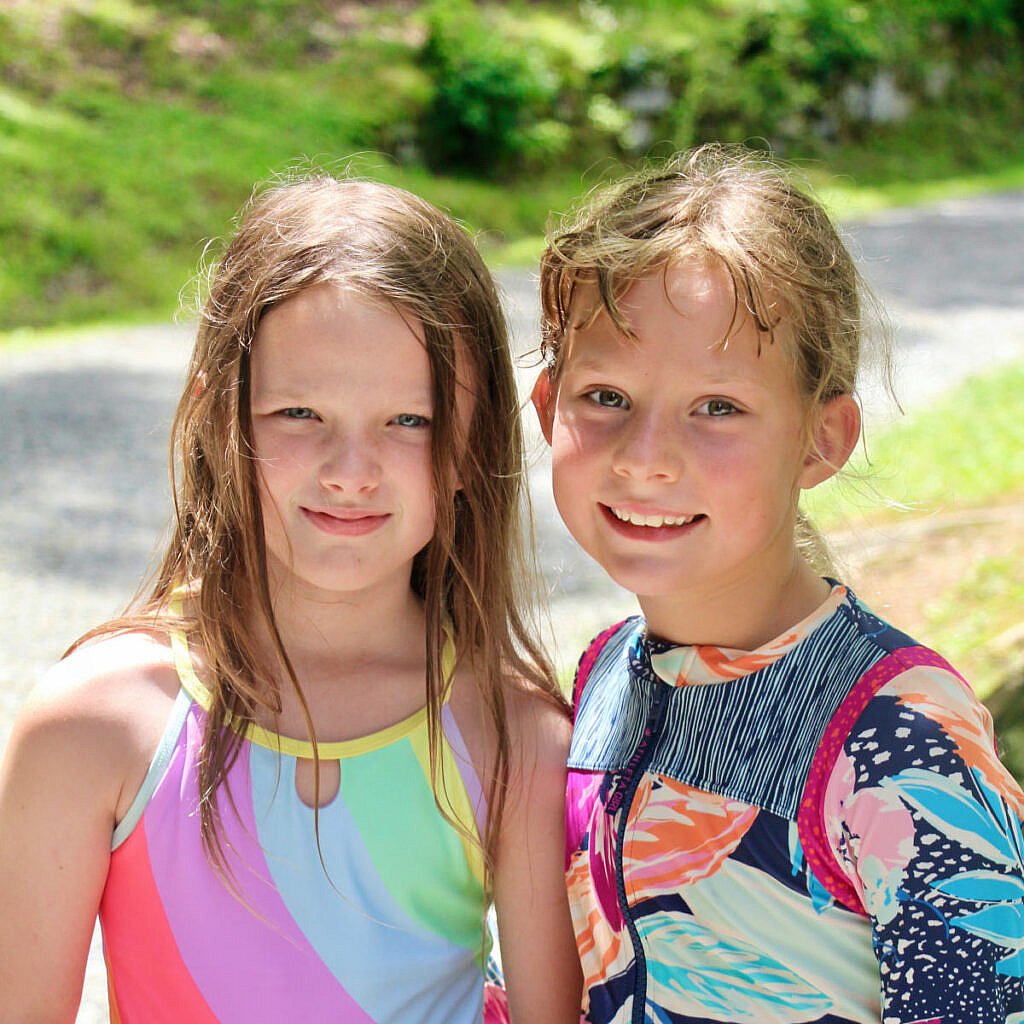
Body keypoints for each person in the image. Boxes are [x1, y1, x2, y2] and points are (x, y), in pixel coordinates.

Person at [0, 176, 582, 1022]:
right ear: (216, 419)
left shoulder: (514, 735)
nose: (351, 469)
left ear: (471, 444)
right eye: (299, 412)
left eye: (409, 421)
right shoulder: (97, 725)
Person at [530, 144, 1024, 1023]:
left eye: (718, 408)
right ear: (546, 409)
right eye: (606, 396)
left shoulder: (899, 737)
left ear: (821, 440)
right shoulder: (608, 671)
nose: (647, 459)